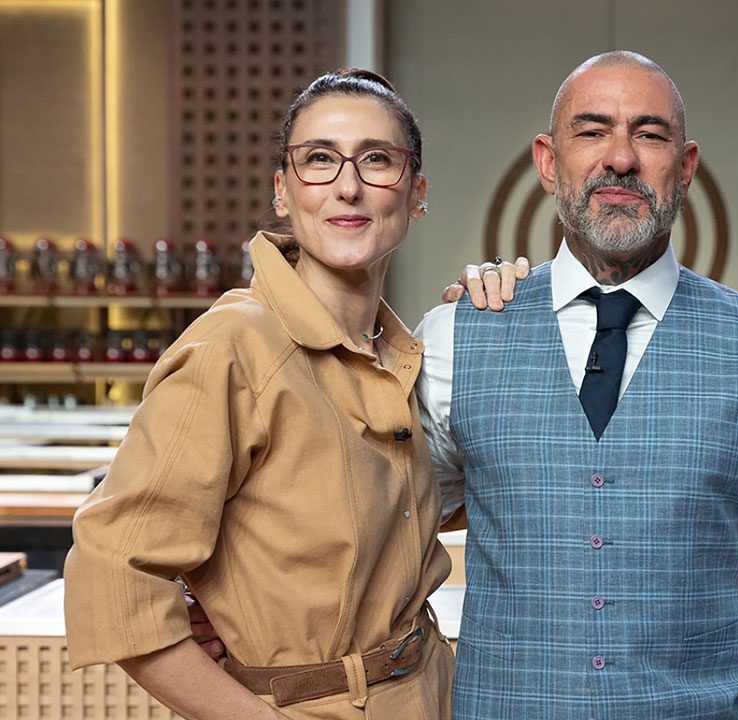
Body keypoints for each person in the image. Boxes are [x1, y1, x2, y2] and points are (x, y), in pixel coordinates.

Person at [417, 51, 738, 719]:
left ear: (685, 166)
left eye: (649, 134)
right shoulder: (455, 339)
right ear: (547, 161)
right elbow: (385, 532)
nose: (620, 157)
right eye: (591, 131)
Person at [63, 69, 455, 720]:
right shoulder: (234, 348)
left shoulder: (397, 352)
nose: (348, 186)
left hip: (430, 693)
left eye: (377, 160)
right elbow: (114, 573)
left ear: (416, 194)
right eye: (320, 160)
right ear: (283, 191)